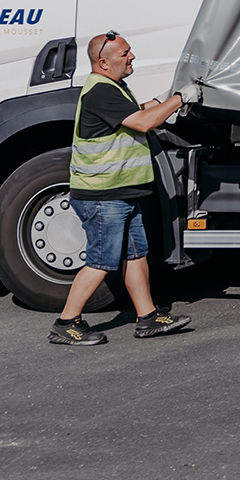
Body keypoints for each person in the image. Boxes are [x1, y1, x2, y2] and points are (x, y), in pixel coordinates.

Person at [48, 31, 195, 346]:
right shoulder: (101, 91)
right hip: (104, 195)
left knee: (136, 255)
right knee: (101, 261)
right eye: (125, 53)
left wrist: (166, 98)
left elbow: (134, 113)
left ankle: (148, 317)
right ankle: (66, 324)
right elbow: (143, 123)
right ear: (103, 62)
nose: (132, 57)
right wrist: (180, 99)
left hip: (121, 192)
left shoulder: (113, 87)